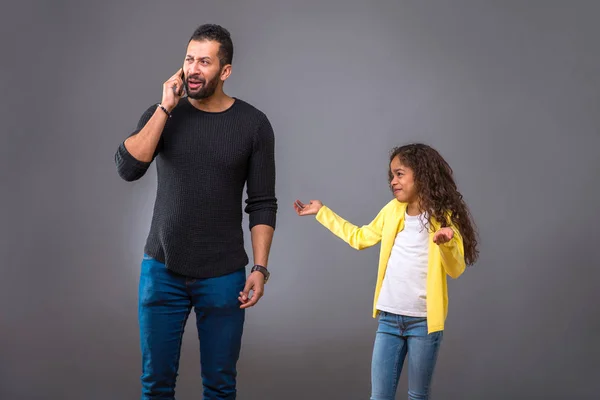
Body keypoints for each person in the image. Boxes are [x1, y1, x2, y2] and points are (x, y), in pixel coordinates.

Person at [114, 24, 277, 400]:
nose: (193, 69)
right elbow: (128, 168)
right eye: (189, 59)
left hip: (223, 276)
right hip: (162, 270)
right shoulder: (165, 114)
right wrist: (165, 108)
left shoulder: (253, 125)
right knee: (155, 385)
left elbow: (262, 202)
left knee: (220, 387)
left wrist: (260, 268)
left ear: (225, 70)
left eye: (205, 61)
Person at [294, 143, 479, 400]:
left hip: (424, 323)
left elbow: (456, 269)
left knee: (417, 396)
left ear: (422, 175)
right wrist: (322, 213)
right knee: (380, 396)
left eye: (400, 174)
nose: (393, 181)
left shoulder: (444, 217)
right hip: (389, 320)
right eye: (391, 175)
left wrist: (447, 242)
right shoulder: (392, 211)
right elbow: (359, 238)